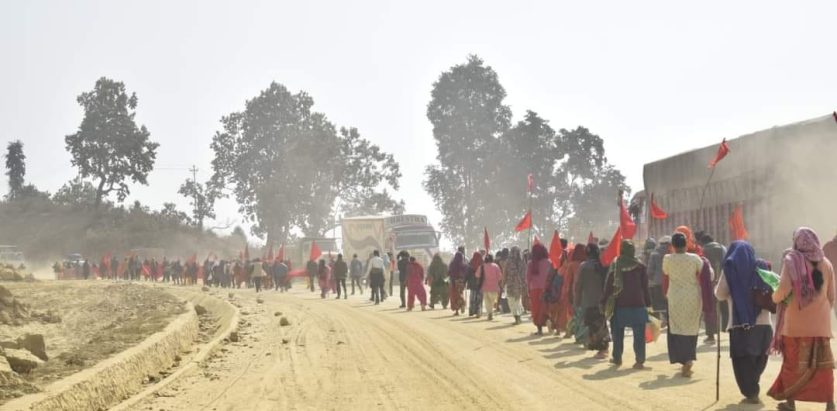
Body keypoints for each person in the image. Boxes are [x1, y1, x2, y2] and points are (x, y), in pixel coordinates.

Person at [768, 227, 836, 411]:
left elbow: (782, 291)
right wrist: (820, 312)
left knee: (792, 364)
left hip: (795, 326)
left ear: (798, 242)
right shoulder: (827, 263)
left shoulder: (791, 261)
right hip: (821, 326)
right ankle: (830, 404)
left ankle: (790, 403)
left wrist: (774, 297)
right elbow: (831, 296)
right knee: (823, 367)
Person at [714, 241, 773, 404]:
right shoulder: (762, 267)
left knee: (743, 361)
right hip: (764, 324)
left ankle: (751, 391)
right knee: (759, 358)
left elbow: (720, 294)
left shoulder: (730, 268)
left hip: (741, 325)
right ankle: (753, 386)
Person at [662, 232, 706, 377]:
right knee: (692, 327)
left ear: (672, 246)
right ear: (686, 244)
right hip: (693, 297)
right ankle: (689, 358)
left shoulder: (668, 259)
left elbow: (665, 272)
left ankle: (683, 360)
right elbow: (707, 273)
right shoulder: (695, 259)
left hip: (675, 297)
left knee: (677, 328)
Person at [602, 240, 650, 369]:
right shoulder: (640, 266)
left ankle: (617, 358)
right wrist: (648, 304)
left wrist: (604, 300)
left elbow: (609, 285)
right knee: (639, 335)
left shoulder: (616, 264)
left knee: (617, 334)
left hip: (620, 304)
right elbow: (645, 287)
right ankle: (640, 361)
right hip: (638, 304)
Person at [675, 225, 717, 345]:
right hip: (701, 282)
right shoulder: (697, 248)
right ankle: (709, 334)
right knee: (706, 307)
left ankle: (687, 338)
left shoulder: (674, 251)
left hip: (684, 286)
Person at [575, 243, 609, 357]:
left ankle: (602, 349)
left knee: (594, 325)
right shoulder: (602, 264)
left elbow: (578, 286)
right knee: (601, 322)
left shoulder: (584, 266)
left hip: (589, 300)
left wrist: (577, 301)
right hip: (602, 300)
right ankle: (604, 347)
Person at [701, 233, 728, 340]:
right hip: (722, 280)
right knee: (724, 308)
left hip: (709, 283)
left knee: (710, 308)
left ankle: (711, 334)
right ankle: (725, 330)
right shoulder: (722, 248)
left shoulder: (703, 250)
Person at [558, 244, 585, 338]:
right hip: (586, 293)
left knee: (571, 313)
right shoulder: (588, 264)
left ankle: (570, 332)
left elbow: (567, 281)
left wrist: (566, 294)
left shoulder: (572, 265)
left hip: (574, 292)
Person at [527, 243, 550, 335]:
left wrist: (528, 289)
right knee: (546, 307)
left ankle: (539, 329)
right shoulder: (548, 262)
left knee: (536, 309)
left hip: (534, 289)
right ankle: (549, 322)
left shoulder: (530, 263)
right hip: (546, 288)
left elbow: (528, 278)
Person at [504, 247, 527, 325]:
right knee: (517, 301)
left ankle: (516, 317)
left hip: (511, 284)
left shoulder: (508, 262)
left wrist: (503, 283)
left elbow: (505, 273)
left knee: (512, 301)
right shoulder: (522, 261)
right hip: (519, 285)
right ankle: (518, 317)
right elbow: (525, 274)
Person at [481, 254, 502, 321]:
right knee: (492, 301)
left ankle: (489, 313)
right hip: (494, 287)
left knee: (487, 302)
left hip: (485, 287)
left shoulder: (482, 266)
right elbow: (500, 277)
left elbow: (477, 275)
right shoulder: (496, 266)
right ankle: (491, 313)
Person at [448, 247, 468, 316]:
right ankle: (462, 303)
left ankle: (457, 310)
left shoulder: (452, 264)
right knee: (460, 293)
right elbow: (466, 272)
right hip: (461, 281)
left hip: (454, 281)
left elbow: (449, 272)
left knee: (454, 295)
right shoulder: (464, 264)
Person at [466, 252, 484, 318]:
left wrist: (465, 281)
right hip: (480, 283)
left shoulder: (471, 263)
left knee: (472, 297)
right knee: (479, 298)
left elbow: (467, 273)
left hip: (472, 283)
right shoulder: (482, 263)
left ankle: (471, 311)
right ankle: (478, 312)